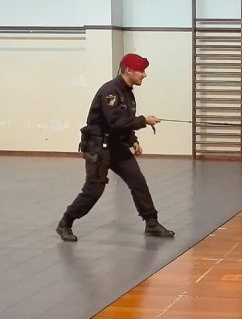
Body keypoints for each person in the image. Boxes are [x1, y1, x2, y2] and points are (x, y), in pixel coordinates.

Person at [55, 53, 175, 242]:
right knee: (94, 189)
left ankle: (151, 223)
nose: (144, 75)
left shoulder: (127, 92)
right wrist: (143, 120)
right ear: (128, 70)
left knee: (138, 182)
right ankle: (65, 222)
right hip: (98, 145)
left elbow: (125, 121)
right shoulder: (111, 91)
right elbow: (116, 122)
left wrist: (132, 140)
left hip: (116, 145)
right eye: (141, 71)